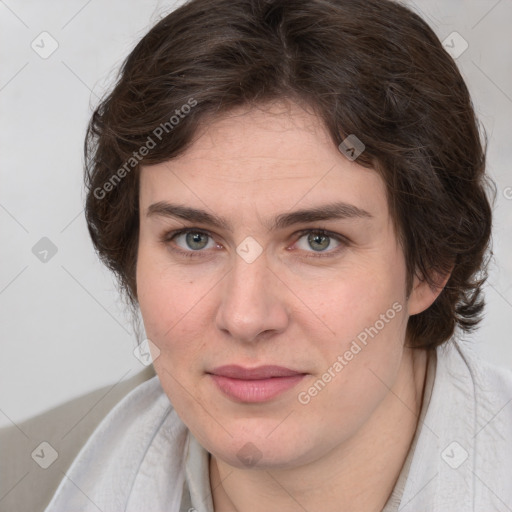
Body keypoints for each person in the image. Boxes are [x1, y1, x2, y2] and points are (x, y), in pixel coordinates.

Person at [42, 0, 512, 510]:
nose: (245, 317)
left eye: (317, 240)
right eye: (193, 238)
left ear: (431, 265)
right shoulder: (23, 479)